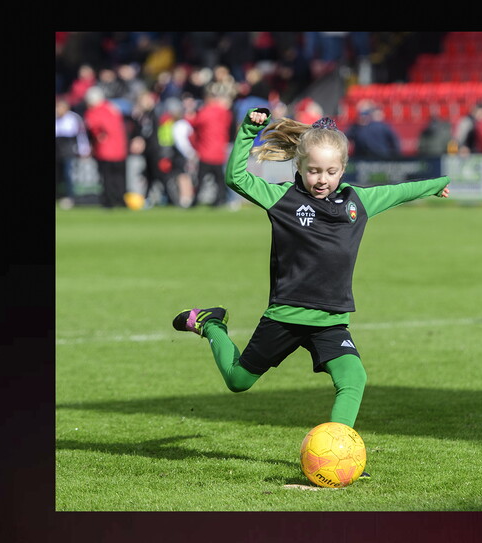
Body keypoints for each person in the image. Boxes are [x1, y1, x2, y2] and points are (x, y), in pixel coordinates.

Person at [170, 108, 451, 479]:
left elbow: (398, 192)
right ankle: (211, 324)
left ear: (343, 169)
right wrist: (247, 132)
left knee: (354, 378)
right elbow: (236, 178)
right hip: (285, 317)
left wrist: (435, 184)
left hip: (331, 320)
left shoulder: (356, 203)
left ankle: (342, 453)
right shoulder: (283, 200)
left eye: (331, 172)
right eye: (314, 171)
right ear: (299, 167)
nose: (322, 179)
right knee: (238, 381)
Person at [188, 82, 234, 207]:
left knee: (200, 180)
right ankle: (221, 200)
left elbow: (193, 124)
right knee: (219, 180)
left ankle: (195, 201)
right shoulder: (225, 112)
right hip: (219, 152)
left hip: (205, 152)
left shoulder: (204, 111)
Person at [83, 86, 129, 208]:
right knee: (120, 177)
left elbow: (94, 130)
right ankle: (121, 200)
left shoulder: (93, 112)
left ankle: (109, 201)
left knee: (107, 177)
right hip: (120, 149)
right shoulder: (113, 108)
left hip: (105, 150)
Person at [55, 97, 91, 209]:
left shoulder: (73, 118)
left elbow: (81, 135)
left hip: (68, 150)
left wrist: (84, 149)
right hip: (57, 150)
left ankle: (70, 197)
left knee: (68, 174)